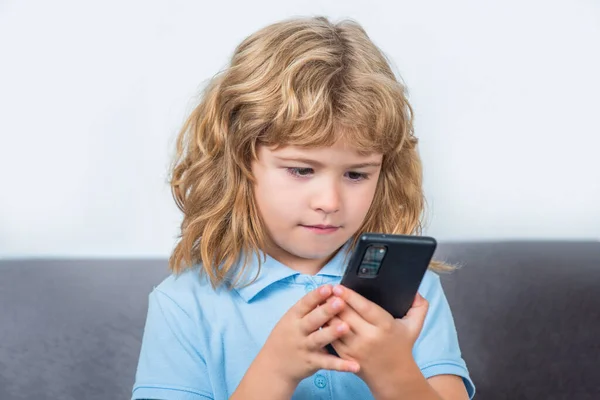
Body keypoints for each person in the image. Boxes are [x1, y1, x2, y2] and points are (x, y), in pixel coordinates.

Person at [132, 16, 475, 400]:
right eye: (301, 169)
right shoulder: (184, 304)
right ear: (242, 161)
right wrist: (276, 370)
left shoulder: (412, 292)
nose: (329, 202)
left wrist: (392, 368)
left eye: (357, 175)